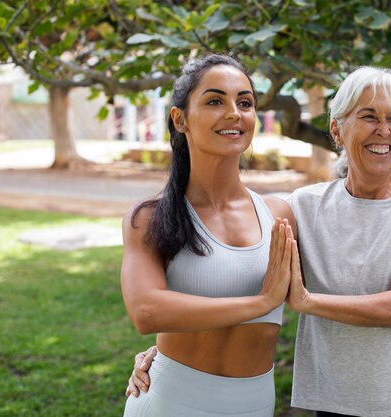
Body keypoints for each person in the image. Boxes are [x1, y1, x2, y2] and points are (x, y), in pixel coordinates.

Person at [127, 66, 391, 417]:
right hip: (336, 406)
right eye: (368, 116)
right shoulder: (302, 207)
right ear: (337, 130)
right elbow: (224, 270)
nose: (384, 130)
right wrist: (166, 354)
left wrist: (304, 300)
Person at [120, 53, 297, 417]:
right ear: (180, 118)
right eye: (215, 101)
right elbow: (146, 311)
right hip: (171, 400)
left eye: (244, 102)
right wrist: (260, 304)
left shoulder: (280, 213)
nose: (234, 113)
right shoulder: (150, 218)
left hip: (255, 404)